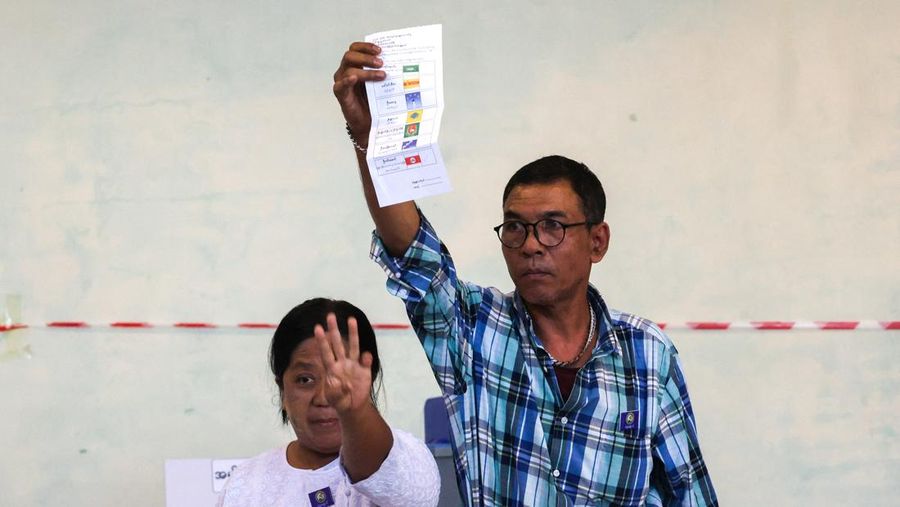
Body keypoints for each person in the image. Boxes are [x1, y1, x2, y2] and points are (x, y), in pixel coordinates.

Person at [332, 42, 718, 506]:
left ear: (598, 241)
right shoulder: (474, 329)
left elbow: (689, 493)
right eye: (515, 227)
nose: (531, 243)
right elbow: (413, 253)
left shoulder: (647, 354)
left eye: (553, 227)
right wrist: (370, 138)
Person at [218, 298, 440, 507]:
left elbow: (408, 495)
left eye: (342, 380)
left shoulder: (407, 461)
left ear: (367, 380)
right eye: (305, 379)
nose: (326, 397)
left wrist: (355, 411)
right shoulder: (245, 483)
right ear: (282, 389)